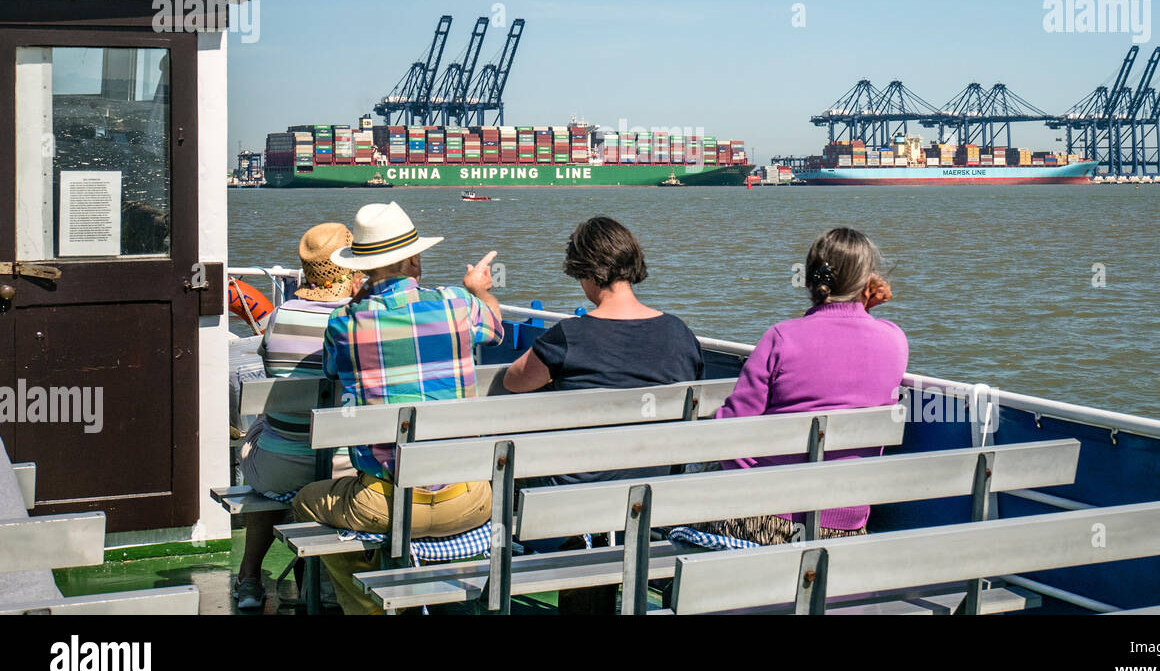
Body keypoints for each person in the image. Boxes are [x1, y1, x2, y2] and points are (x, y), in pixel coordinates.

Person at [292, 202, 502, 615]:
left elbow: (334, 372)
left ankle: (366, 603)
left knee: (302, 502)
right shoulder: (456, 304)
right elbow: (494, 329)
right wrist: (480, 288)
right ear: (414, 257)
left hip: (383, 505)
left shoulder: (343, 323)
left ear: (363, 266)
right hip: (471, 500)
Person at [504, 216, 704, 613]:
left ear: (585, 272)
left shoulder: (567, 336)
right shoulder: (680, 333)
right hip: (661, 488)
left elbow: (513, 382)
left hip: (582, 498)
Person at [695, 227, 906, 545]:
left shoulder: (781, 338)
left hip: (766, 519)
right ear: (868, 284)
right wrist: (859, 311)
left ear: (809, 279)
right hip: (845, 525)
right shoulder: (895, 339)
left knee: (694, 478)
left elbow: (729, 430)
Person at [233, 222, 360, 612]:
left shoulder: (281, 314)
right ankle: (322, 579)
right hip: (344, 470)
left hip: (279, 469)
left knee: (266, 433)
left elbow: (272, 369)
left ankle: (250, 578)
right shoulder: (359, 320)